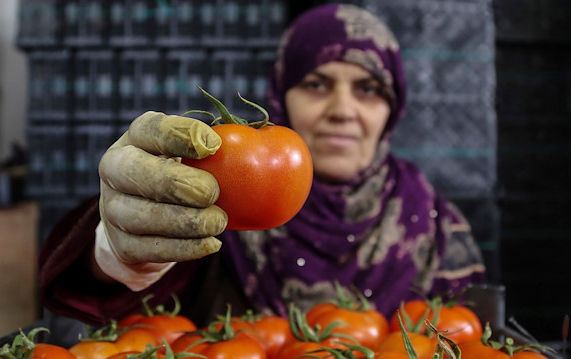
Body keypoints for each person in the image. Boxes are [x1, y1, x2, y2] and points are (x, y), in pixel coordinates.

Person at [38, 3, 486, 327]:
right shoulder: (218, 198)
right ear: (280, 94)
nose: (343, 110)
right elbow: (106, 300)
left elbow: (467, 335)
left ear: (393, 109)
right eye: (316, 83)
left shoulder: (436, 227)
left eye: (368, 89)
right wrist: (118, 252)